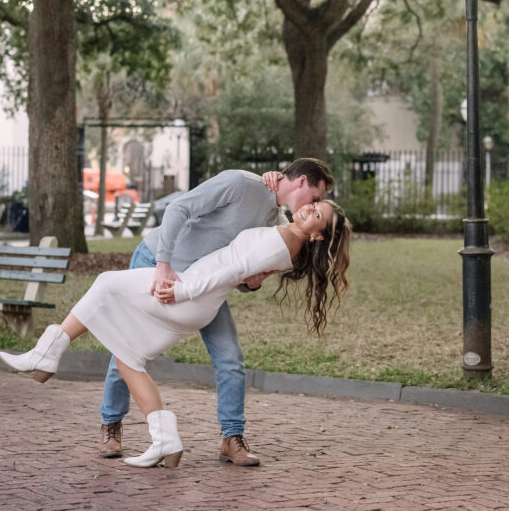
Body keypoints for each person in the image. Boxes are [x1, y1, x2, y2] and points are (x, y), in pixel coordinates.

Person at [0, 200, 352, 468]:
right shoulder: (289, 242)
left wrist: (180, 290)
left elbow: (230, 269)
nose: (308, 209)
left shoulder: (280, 242)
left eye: (316, 215)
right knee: (129, 357)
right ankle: (165, 440)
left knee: (105, 284)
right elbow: (259, 251)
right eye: (312, 205)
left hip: (190, 292)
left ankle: (48, 352)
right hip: (199, 303)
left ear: (318, 234)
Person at [98, 158, 333, 466]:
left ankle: (232, 439)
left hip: (203, 288)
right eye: (316, 198)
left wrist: (253, 283)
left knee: (230, 358)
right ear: (302, 181)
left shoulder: (276, 222)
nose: (313, 205)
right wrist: (164, 264)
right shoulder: (240, 184)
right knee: (128, 348)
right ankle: (111, 426)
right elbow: (177, 209)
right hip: (157, 262)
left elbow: (236, 271)